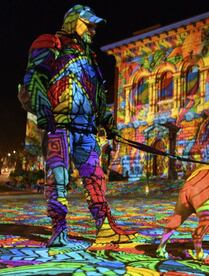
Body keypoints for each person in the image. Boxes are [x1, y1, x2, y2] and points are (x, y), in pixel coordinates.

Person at [19, 5, 136, 247]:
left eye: (95, 25)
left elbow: (99, 97)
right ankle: (59, 227)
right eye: (89, 24)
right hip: (59, 126)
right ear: (73, 21)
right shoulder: (51, 43)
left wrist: (109, 125)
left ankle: (104, 227)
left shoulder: (90, 58)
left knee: (95, 179)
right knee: (57, 178)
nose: (93, 30)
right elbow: (35, 79)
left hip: (86, 129)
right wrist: (44, 113)